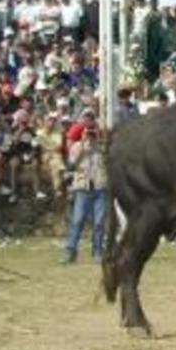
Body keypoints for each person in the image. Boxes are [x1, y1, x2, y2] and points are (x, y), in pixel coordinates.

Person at [61, 110, 107, 264]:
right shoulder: (76, 146)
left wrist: (99, 139)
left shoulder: (102, 146)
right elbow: (71, 165)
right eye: (87, 123)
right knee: (77, 221)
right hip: (83, 187)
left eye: (92, 122)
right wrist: (82, 142)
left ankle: (98, 252)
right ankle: (70, 252)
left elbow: (110, 158)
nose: (90, 129)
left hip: (100, 187)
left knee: (99, 223)